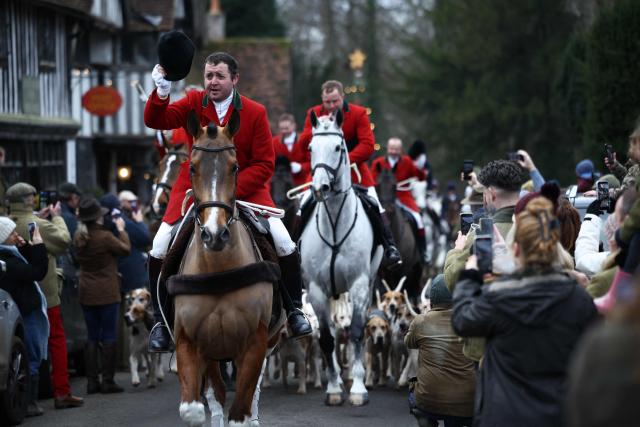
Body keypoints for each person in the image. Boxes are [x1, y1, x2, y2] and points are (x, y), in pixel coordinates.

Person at [144, 51, 311, 352]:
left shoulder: (255, 111)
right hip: (193, 190)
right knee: (159, 245)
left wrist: (227, 192)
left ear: (234, 79)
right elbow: (156, 120)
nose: (212, 81)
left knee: (284, 240)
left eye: (219, 75)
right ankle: (160, 320)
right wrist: (162, 91)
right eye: (208, 75)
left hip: (244, 190)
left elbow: (264, 164)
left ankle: (294, 308)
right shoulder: (194, 101)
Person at [451, 197, 597, 427]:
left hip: (506, 416)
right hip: (559, 415)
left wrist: (470, 276)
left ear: (516, 249)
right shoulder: (579, 299)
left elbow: (462, 320)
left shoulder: (499, 297)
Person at [297, 80, 402, 268]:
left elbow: (368, 144)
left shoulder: (358, 113)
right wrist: (316, 128)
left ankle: (390, 247)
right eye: (327, 102)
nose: (330, 106)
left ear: (342, 97)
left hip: (355, 172)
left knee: (375, 204)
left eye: (335, 101)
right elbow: (302, 145)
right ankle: (295, 250)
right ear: (322, 99)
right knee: (303, 204)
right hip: (322, 174)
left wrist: (344, 162)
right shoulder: (313, 114)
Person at [6, 183, 84, 409]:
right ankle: (61, 391)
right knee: (56, 341)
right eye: (33, 196)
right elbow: (63, 241)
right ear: (28, 200)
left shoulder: (7, 224)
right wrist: (57, 218)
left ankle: (29, 395)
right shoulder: (38, 225)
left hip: (14, 296)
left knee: (23, 344)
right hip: (45, 293)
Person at [74, 197, 131, 394]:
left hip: (87, 291)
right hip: (107, 291)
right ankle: (107, 381)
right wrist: (122, 229)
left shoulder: (79, 237)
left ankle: (92, 382)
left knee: (92, 336)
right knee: (108, 335)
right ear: (97, 218)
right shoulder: (105, 237)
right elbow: (125, 250)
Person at [405, 274, 475, 427]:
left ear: (432, 300)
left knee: (413, 392)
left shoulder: (421, 321)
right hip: (467, 404)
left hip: (428, 401)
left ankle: (425, 421)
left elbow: (409, 342)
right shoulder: (471, 319)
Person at [0, 217, 51, 416]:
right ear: (4, 239)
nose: (17, 236)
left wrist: (27, 247)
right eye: (12, 234)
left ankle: (30, 401)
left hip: (23, 310)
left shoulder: (10, 256)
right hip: (23, 312)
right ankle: (29, 402)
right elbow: (37, 271)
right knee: (32, 354)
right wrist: (38, 243)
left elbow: (28, 266)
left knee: (32, 353)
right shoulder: (7, 262)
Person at [371, 137, 428, 262]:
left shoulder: (407, 161)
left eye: (396, 149)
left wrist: (421, 169)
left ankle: (423, 251)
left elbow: (420, 175)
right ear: (387, 149)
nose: (393, 152)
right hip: (384, 198)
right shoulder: (378, 162)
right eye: (391, 149)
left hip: (403, 196)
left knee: (418, 219)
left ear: (400, 150)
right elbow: (373, 180)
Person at [272, 113, 310, 187]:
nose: (284, 131)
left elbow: (312, 162)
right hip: (282, 185)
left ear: (294, 126)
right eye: (281, 129)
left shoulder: (304, 140)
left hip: (303, 183)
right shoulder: (274, 142)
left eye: (286, 128)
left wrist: (301, 167)